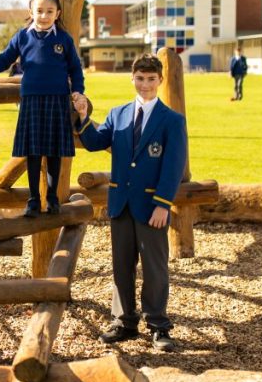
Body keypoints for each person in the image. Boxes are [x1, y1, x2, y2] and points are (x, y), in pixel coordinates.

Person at [72, 53, 187, 352]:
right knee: (121, 266)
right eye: (140, 78)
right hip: (120, 202)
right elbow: (96, 142)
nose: (145, 84)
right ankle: (123, 321)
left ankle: (158, 325)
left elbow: (173, 166)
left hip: (152, 207)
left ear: (160, 81)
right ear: (132, 79)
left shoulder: (172, 121)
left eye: (151, 79)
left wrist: (163, 203)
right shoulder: (118, 114)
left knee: (155, 267)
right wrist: (84, 117)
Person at [0, 0, 85, 216]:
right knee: (33, 153)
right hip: (32, 101)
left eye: (50, 11)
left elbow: (75, 69)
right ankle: (33, 200)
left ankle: (53, 199)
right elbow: (4, 59)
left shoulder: (64, 40)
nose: (44, 16)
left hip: (57, 100)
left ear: (58, 14)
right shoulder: (22, 37)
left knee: (54, 152)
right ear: (30, 12)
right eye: (39, 11)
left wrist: (78, 91)